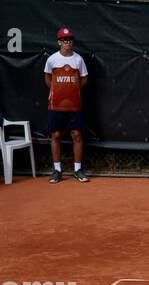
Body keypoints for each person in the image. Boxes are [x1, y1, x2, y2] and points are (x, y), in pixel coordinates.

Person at [44, 26, 89, 183]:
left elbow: (84, 78)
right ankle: (57, 170)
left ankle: (78, 169)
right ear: (59, 42)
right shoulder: (52, 59)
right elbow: (47, 78)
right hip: (56, 104)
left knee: (76, 134)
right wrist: (57, 91)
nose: (67, 42)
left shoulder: (78, 59)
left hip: (74, 104)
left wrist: (74, 90)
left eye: (69, 39)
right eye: (64, 40)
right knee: (56, 135)